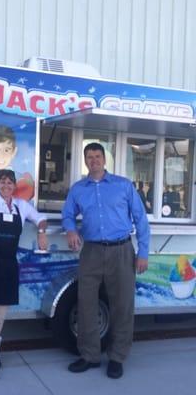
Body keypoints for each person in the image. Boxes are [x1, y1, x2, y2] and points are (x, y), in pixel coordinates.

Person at [62, 142, 149, 379]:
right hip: (91, 251)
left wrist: (143, 253)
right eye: (89, 157)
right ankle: (89, 356)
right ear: (85, 160)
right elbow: (68, 214)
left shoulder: (123, 186)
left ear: (104, 159)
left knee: (122, 306)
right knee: (86, 303)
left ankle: (117, 357)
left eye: (97, 156)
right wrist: (70, 230)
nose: (94, 160)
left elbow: (141, 219)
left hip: (121, 251)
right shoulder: (78, 189)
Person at [0, 169, 48, 376]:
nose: (6, 186)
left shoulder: (22, 207)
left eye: (9, 182)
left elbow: (41, 219)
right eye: (2, 182)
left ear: (14, 186)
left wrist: (41, 232)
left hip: (6, 268)